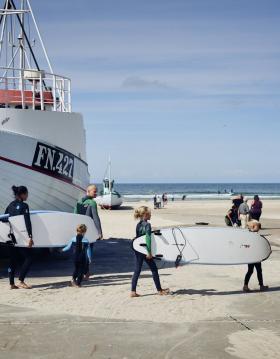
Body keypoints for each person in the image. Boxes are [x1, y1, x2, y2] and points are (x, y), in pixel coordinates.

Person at [131, 206, 169, 298]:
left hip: (138, 249)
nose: (151, 215)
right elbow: (147, 238)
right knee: (154, 269)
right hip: (145, 250)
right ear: (145, 215)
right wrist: (149, 252)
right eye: (149, 213)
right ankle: (159, 290)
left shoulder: (139, 224)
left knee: (137, 270)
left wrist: (152, 231)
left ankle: (133, 291)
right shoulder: (147, 225)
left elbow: (139, 237)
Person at [5, 185, 34, 289]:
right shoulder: (24, 206)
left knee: (12, 259)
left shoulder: (10, 205)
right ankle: (21, 280)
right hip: (20, 237)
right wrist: (30, 236)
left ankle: (11, 283)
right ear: (22, 194)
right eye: (27, 194)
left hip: (10, 236)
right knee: (29, 257)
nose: (27, 196)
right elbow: (27, 222)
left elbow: (5, 219)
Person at [74, 184, 103, 280]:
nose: (96, 193)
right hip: (88, 231)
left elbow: (74, 215)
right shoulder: (92, 202)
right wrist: (99, 232)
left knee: (80, 252)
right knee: (88, 252)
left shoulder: (78, 201)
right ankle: (86, 273)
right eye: (94, 191)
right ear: (88, 191)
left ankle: (84, 272)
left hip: (79, 231)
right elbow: (96, 219)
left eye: (96, 191)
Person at [243, 221, 268, 292]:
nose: (259, 228)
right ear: (253, 226)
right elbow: (247, 245)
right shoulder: (252, 235)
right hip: (254, 256)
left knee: (252, 271)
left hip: (254, 256)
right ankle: (259, 286)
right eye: (258, 227)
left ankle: (247, 286)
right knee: (256, 271)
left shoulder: (252, 234)